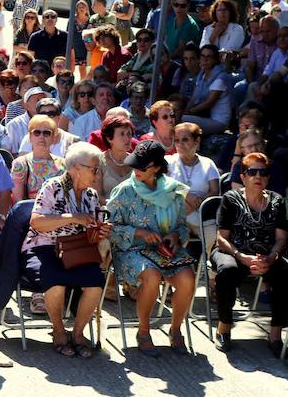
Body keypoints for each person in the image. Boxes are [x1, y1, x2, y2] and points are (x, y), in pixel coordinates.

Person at [107, 140, 195, 356]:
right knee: (152, 275)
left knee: (188, 278)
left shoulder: (174, 191)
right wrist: (139, 233)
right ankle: (144, 331)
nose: (135, 170)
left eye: (142, 166)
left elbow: (182, 227)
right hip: (131, 250)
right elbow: (109, 228)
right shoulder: (124, 191)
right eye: (134, 165)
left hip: (165, 250)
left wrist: (176, 235)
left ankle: (175, 330)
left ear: (156, 167)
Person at [22, 142, 109, 356]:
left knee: (95, 282)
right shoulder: (53, 186)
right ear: (76, 168)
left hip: (77, 250)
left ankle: (78, 334)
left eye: (98, 169)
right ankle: (59, 331)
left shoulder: (90, 195)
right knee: (56, 282)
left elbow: (92, 230)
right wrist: (73, 218)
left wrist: (101, 231)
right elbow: (37, 222)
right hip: (44, 247)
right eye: (94, 169)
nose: (97, 174)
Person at [212, 152, 288, 354]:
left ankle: (275, 333)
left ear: (268, 177)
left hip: (265, 255)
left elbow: (282, 238)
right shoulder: (231, 198)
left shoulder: (277, 201)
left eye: (263, 172)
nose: (258, 176)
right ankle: (224, 327)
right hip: (233, 251)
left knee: (287, 273)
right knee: (226, 271)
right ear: (243, 176)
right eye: (252, 172)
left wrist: (272, 257)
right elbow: (221, 238)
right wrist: (242, 257)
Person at [166, 123, 220, 233]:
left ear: (197, 141)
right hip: (174, 213)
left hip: (201, 212)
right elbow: (163, 186)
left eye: (185, 139)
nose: (180, 144)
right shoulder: (168, 162)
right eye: (177, 140)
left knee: (210, 231)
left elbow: (215, 192)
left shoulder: (208, 164)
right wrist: (186, 196)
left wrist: (196, 203)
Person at [182, 44, 232, 135]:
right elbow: (193, 99)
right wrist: (184, 110)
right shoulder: (202, 75)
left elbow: (209, 103)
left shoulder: (220, 78)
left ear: (215, 59)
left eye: (209, 56)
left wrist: (189, 112)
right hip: (205, 116)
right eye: (203, 56)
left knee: (181, 120)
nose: (205, 59)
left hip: (218, 122)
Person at [98, 115, 136, 196]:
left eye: (129, 133)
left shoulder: (137, 162)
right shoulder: (99, 162)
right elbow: (97, 196)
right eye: (122, 134)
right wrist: (117, 207)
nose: (127, 138)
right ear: (109, 138)